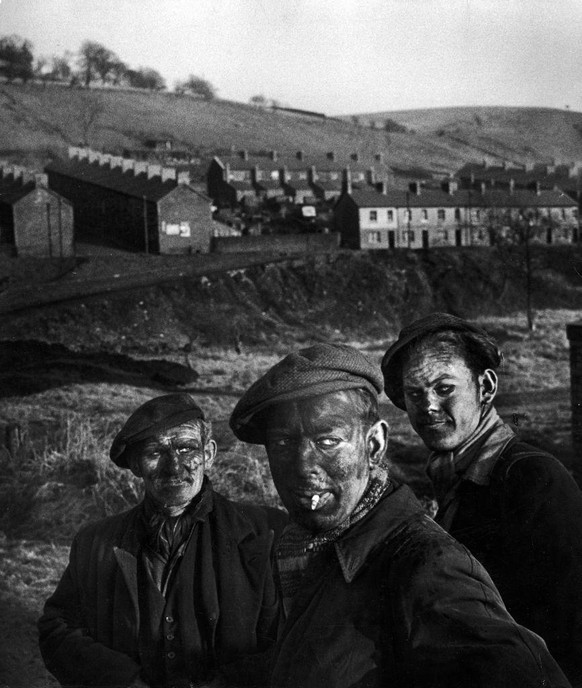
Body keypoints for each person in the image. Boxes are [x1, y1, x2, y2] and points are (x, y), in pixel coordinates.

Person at [229, 343, 570, 688]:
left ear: (374, 445)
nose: (302, 467)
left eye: (328, 441)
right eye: (283, 444)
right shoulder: (308, 545)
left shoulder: (426, 565)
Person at [382, 312, 582, 685]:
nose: (426, 406)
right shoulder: (457, 478)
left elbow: (570, 628)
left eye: (444, 388)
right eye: (414, 393)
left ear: (485, 387)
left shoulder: (533, 481)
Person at [38, 393, 287, 688]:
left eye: (186, 448)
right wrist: (123, 680)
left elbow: (294, 639)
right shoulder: (95, 543)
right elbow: (57, 628)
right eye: (155, 453)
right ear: (135, 465)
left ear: (208, 454)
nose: (173, 467)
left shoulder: (266, 533)